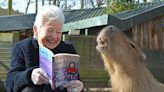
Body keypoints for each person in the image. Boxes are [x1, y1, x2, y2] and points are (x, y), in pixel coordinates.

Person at [5, 5, 84, 92]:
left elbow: (75, 80)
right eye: (49, 30)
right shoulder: (22, 47)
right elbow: (9, 82)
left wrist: (78, 87)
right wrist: (30, 76)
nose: (54, 36)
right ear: (36, 30)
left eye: (58, 31)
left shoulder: (68, 49)